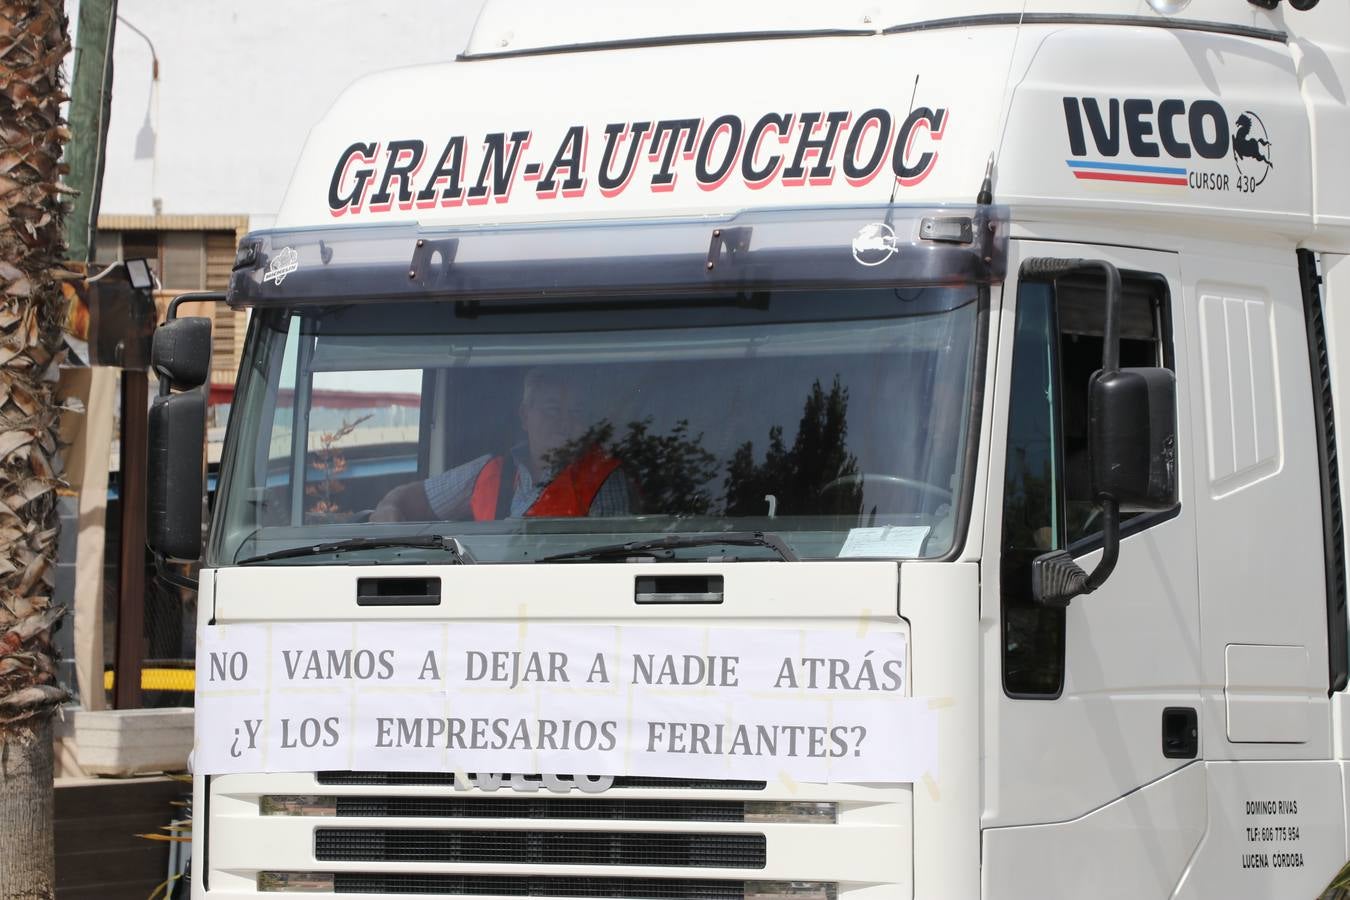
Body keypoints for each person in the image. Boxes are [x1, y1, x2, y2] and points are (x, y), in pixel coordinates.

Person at [371, 369, 632, 522]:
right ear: (524, 416)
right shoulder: (488, 472)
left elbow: (612, 565)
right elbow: (403, 501)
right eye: (552, 410)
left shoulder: (603, 479)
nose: (565, 423)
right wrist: (388, 520)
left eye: (575, 412)